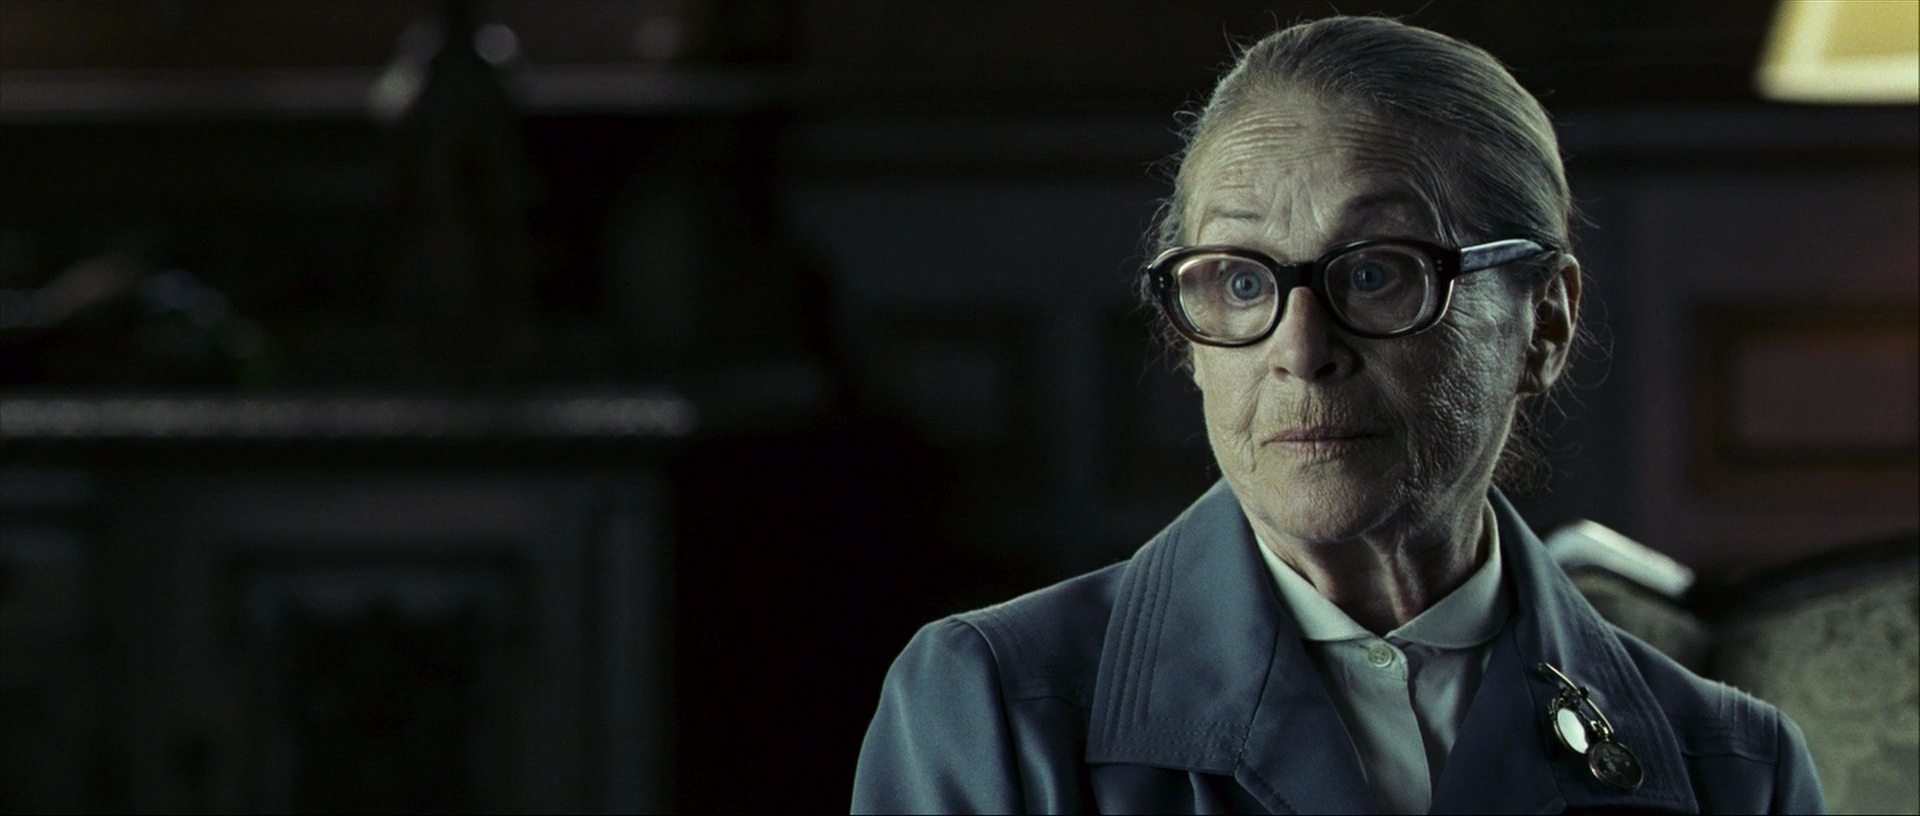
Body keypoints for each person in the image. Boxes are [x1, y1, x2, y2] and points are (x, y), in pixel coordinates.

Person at [851, 15, 1826, 815]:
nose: (1301, 348)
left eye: (1375, 272)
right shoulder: (997, 707)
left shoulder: (1733, 767)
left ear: (1545, 323)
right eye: (1241, 281)